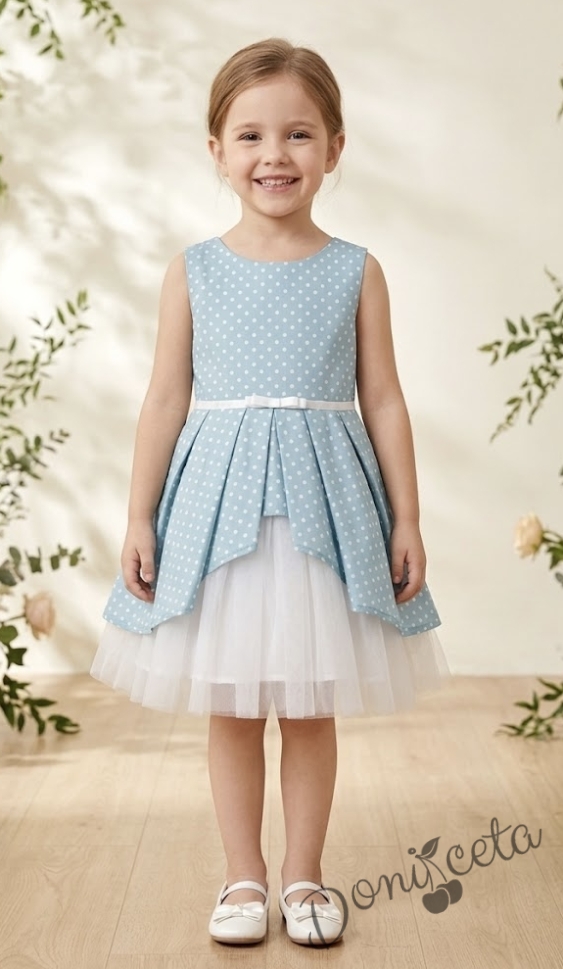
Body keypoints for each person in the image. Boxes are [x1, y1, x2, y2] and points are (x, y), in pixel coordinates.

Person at [90, 37, 452, 948]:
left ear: (334, 147)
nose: (274, 155)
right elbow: (164, 398)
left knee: (309, 706)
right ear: (217, 151)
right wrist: (137, 514)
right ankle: (243, 874)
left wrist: (407, 516)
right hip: (220, 517)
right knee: (233, 706)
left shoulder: (355, 269)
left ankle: (303, 875)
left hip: (325, 513)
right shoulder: (194, 270)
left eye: (297, 133)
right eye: (250, 135)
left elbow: (383, 398)